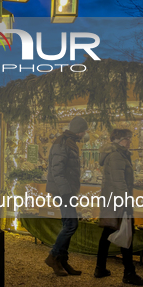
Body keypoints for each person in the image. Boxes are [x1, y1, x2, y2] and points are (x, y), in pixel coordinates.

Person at [96, 128, 143, 286]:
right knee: (127, 234)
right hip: (118, 202)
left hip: (111, 201)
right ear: (119, 140)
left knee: (108, 233)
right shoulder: (117, 156)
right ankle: (129, 273)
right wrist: (126, 202)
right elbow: (119, 182)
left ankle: (100, 268)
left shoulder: (115, 154)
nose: (129, 142)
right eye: (128, 139)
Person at [44, 116, 88, 276]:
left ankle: (62, 261)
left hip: (65, 190)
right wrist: (66, 192)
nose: (84, 134)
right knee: (71, 225)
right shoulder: (63, 143)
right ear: (78, 130)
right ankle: (53, 255)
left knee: (68, 224)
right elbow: (57, 170)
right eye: (83, 131)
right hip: (63, 191)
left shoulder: (68, 142)